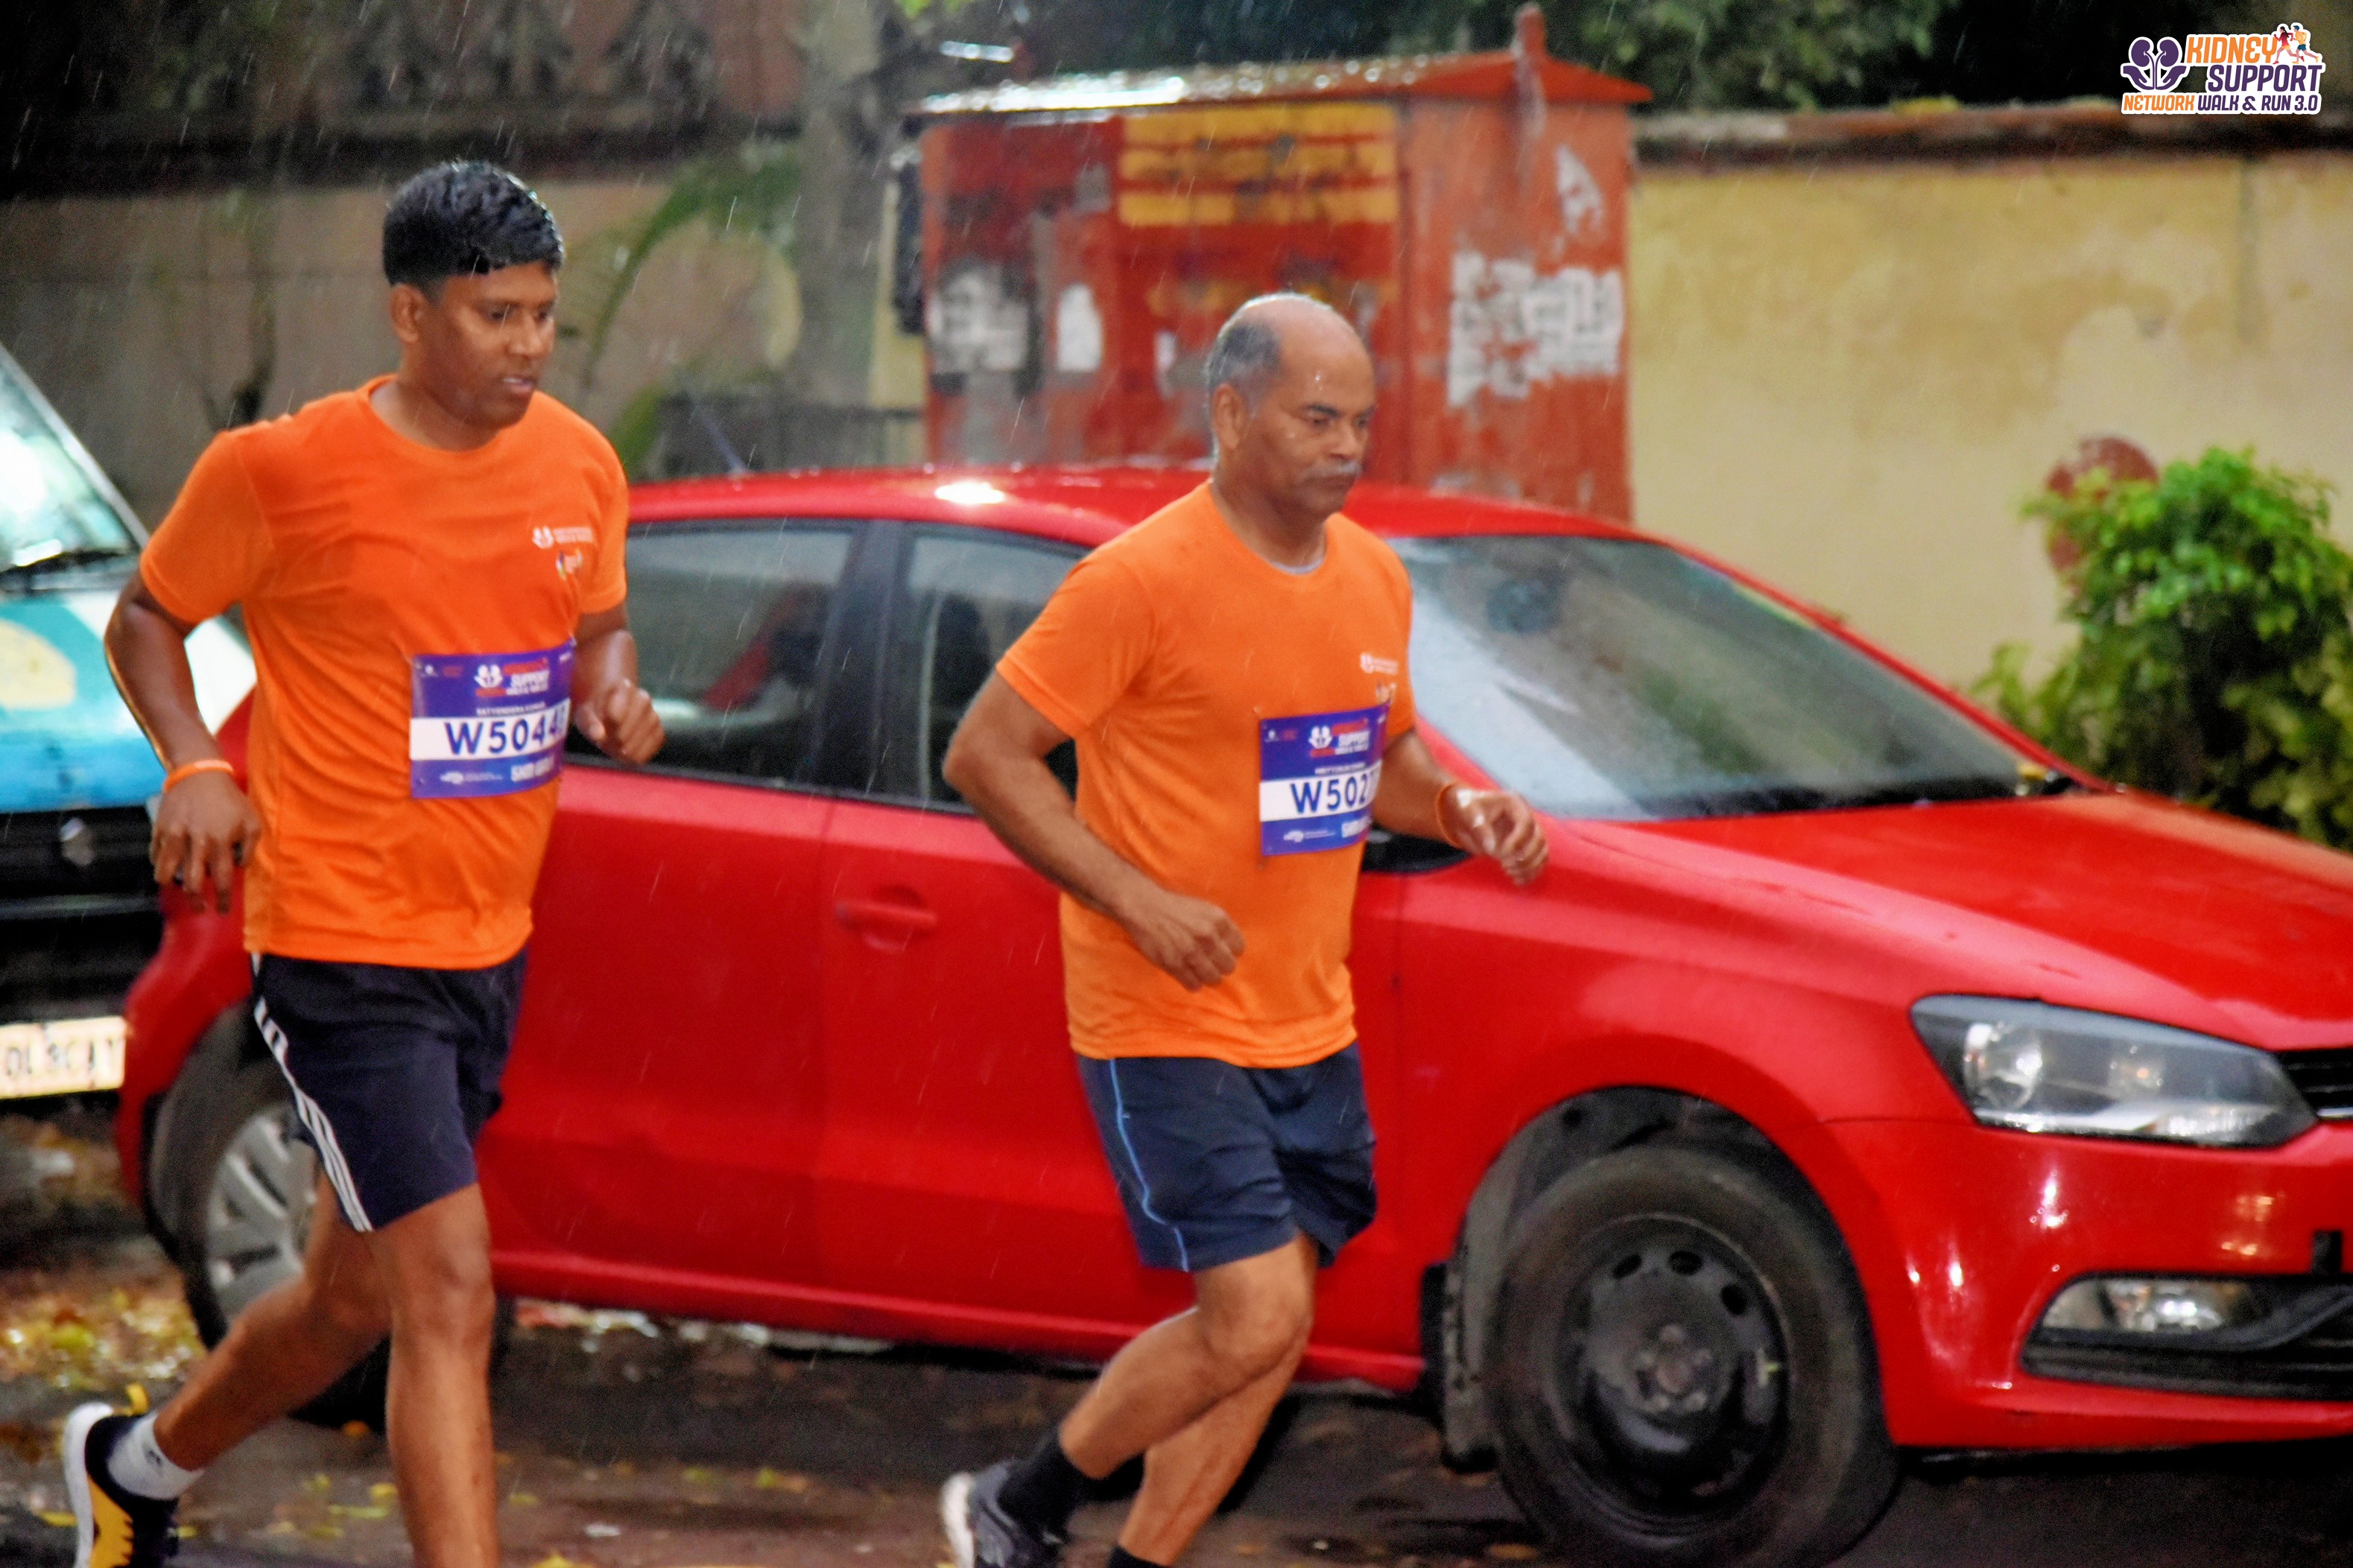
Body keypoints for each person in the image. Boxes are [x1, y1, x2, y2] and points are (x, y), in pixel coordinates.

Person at [66, 161, 662, 1568]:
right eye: (495, 316)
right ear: (409, 313)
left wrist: (611, 688)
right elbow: (147, 616)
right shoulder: (280, 471)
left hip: (489, 944)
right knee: (450, 1290)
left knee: (352, 1302)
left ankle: (132, 1469)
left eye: (543, 316)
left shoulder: (580, 463)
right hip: (341, 944)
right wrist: (197, 763)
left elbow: (596, 627)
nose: (527, 345)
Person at [938, 293, 1548, 1568]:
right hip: (1161, 1011)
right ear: (1229, 413)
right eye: (1315, 418)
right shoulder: (1138, 580)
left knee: (1266, 1337)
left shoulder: (1373, 577)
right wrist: (1140, 900)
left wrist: (1458, 805)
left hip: (1307, 1015)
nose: (1346, 445)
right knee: (1257, 1310)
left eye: (1360, 420)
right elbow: (985, 753)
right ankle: (1022, 1499)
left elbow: (1376, 761)